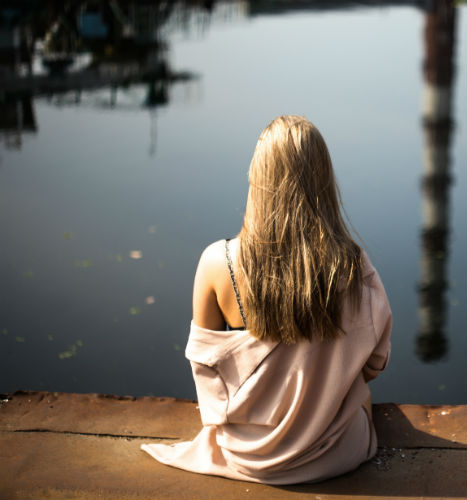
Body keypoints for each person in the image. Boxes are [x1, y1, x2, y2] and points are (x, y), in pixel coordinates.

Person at [141, 115, 392, 484]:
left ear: (257, 178)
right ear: (324, 180)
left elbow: (206, 372)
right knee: (363, 401)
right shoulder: (354, 267)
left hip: (246, 456)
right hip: (335, 452)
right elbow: (374, 364)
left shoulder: (218, 262)